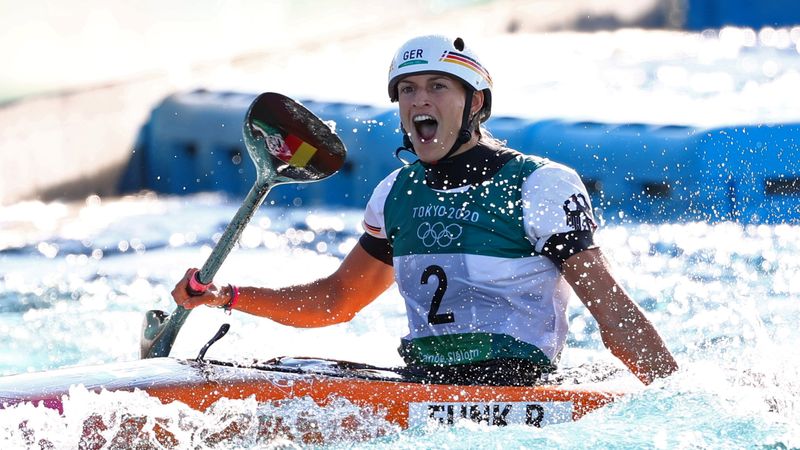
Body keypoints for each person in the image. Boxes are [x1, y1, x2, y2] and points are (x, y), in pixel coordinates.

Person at [173, 34, 678, 386]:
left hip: (519, 389)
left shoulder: (541, 185)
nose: (420, 101)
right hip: (422, 381)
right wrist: (226, 295)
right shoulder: (395, 193)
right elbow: (335, 302)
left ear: (475, 103)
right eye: (407, 90)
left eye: (438, 86)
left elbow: (613, 312)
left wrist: (675, 397)